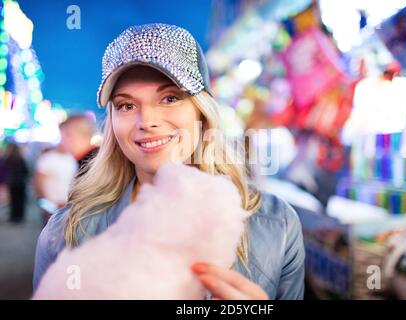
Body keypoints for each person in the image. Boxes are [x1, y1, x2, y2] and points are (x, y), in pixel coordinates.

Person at [33, 23, 305, 299]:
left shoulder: (277, 226)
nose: (147, 121)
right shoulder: (65, 233)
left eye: (170, 98)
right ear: (113, 121)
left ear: (201, 111)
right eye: (127, 105)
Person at [33, 122, 78, 225]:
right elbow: (38, 183)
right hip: (51, 207)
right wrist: (46, 206)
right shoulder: (47, 158)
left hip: (67, 206)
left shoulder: (71, 158)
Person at [3, 142, 29, 223]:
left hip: (12, 182)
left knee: (14, 200)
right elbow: (26, 171)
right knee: (20, 200)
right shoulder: (21, 159)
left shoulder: (7, 159)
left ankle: (13, 216)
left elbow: (4, 170)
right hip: (21, 182)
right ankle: (20, 216)